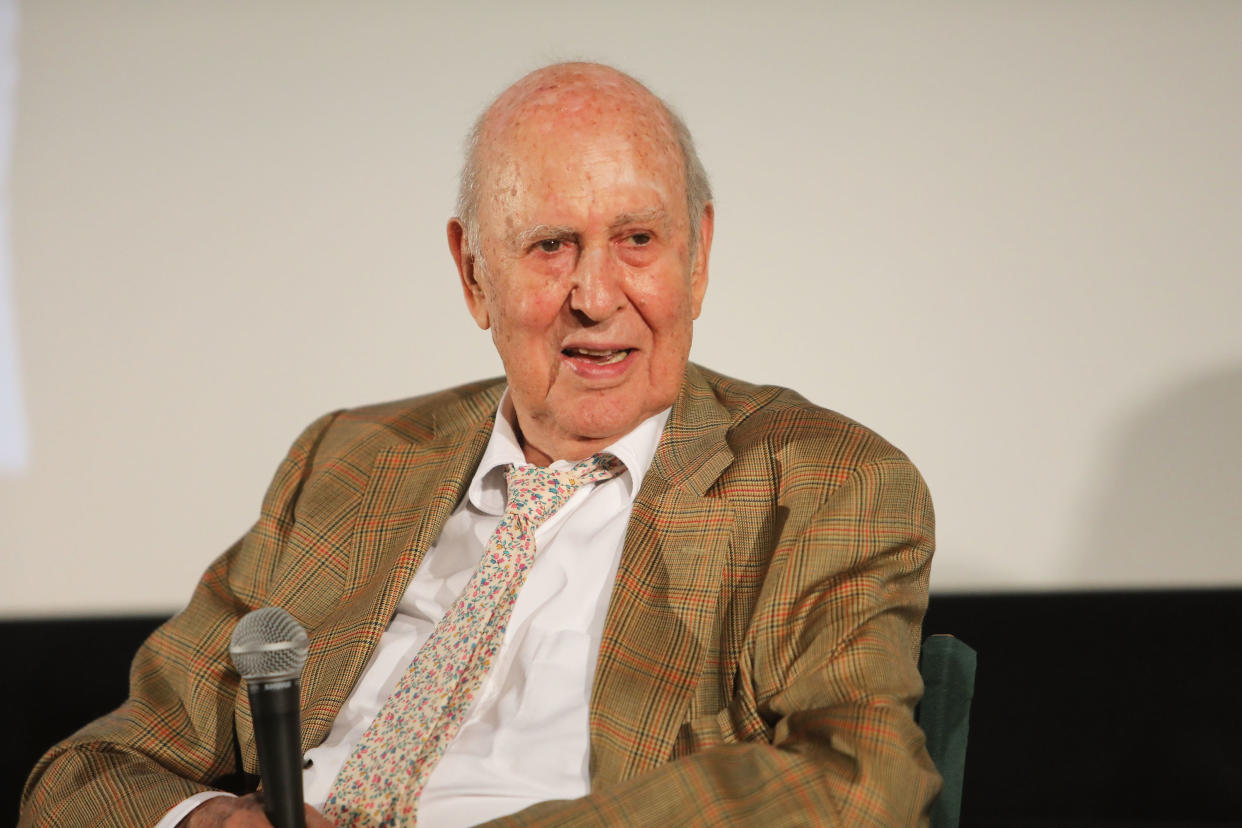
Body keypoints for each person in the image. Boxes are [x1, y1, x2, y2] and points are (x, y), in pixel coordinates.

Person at [21, 62, 940, 827]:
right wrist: (201, 822)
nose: (596, 294)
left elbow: (856, 780)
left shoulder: (823, 484)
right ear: (473, 275)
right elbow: (95, 771)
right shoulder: (351, 460)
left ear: (697, 255)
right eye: (549, 245)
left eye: (637, 239)